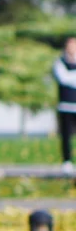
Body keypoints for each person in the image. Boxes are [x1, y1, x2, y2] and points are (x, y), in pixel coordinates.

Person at [53, 36, 76, 172]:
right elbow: (64, 78)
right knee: (66, 136)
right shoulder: (60, 62)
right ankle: (67, 162)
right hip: (65, 105)